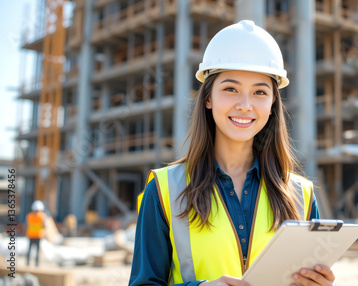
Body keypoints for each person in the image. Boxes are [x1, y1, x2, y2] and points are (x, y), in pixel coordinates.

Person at [129, 20, 335, 286]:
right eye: (230, 89)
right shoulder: (164, 190)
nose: (245, 105)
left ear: (273, 103)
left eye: (260, 92)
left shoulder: (301, 195)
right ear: (208, 98)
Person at [26, 200, 46, 266]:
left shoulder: (29, 216)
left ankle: (27, 263)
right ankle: (36, 264)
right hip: (38, 235)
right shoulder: (42, 216)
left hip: (31, 235)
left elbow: (26, 225)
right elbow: (44, 226)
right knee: (37, 251)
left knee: (29, 250)